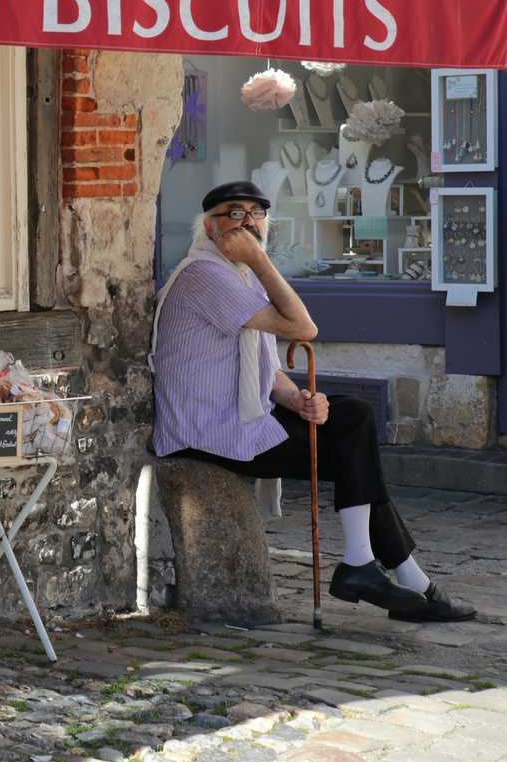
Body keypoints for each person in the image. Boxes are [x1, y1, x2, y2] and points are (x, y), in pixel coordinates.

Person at [151, 180, 475, 623]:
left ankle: (393, 573)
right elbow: (303, 327)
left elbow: (264, 367)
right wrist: (261, 259)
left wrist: (297, 399)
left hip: (234, 416)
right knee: (352, 443)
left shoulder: (239, 275)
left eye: (256, 213)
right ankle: (395, 575)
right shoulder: (205, 275)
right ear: (210, 227)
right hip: (207, 431)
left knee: (353, 420)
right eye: (234, 213)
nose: (248, 221)